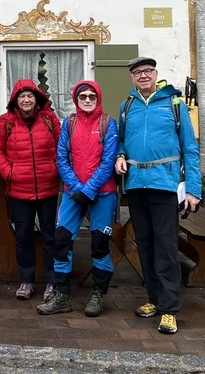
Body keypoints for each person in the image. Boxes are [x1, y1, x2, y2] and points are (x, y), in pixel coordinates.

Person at [115, 57, 201, 335]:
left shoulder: (174, 104)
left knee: (165, 247)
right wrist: (119, 156)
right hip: (137, 185)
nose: (143, 76)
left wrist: (193, 188)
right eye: (137, 72)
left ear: (156, 74)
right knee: (145, 245)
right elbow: (120, 140)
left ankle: (169, 308)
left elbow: (190, 147)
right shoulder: (127, 106)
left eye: (148, 71)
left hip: (164, 185)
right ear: (131, 78)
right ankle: (153, 298)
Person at [37, 80, 118, 317]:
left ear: (98, 98)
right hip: (73, 193)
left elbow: (108, 161)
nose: (88, 100)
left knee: (99, 244)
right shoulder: (69, 124)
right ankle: (62, 296)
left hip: (102, 193)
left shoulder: (108, 123)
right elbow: (61, 158)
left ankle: (98, 294)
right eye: (83, 96)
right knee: (61, 241)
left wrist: (89, 189)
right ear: (76, 99)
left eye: (92, 96)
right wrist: (76, 187)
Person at [0, 79, 60, 302]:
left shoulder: (49, 119)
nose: (26, 100)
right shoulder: (6, 122)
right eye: (22, 96)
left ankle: (52, 281)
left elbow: (63, 147)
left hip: (48, 189)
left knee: (51, 237)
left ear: (37, 98)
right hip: (19, 191)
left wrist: (54, 169)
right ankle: (27, 280)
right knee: (23, 237)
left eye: (30, 96)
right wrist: (9, 172)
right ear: (15, 100)